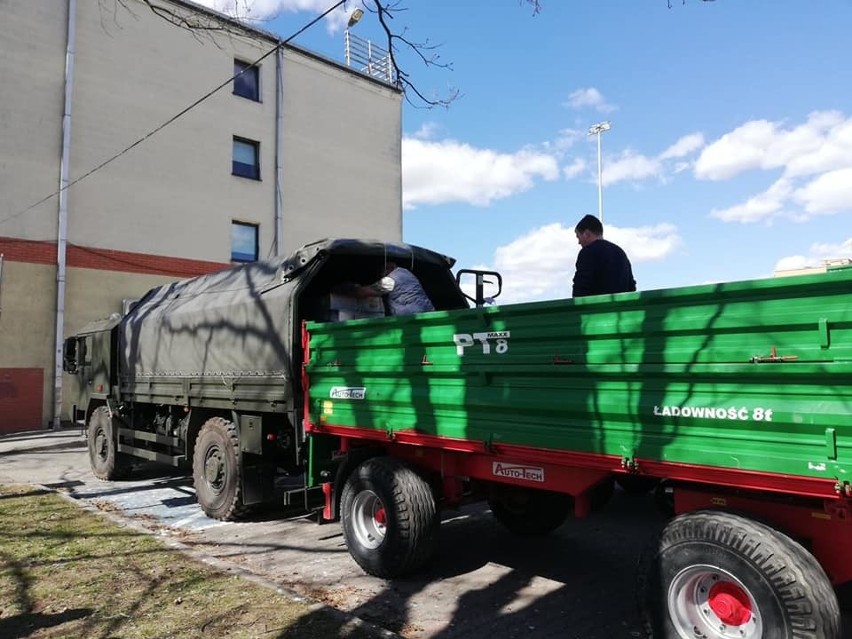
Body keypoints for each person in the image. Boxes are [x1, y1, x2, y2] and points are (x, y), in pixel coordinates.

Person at [572, 214, 636, 297]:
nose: (579, 242)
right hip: (622, 307)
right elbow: (631, 286)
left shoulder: (587, 252)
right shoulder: (621, 253)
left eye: (578, 237)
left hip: (596, 308)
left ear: (587, 234)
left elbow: (581, 286)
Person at [352, 261, 435, 316]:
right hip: (428, 313)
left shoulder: (392, 278)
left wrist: (350, 288)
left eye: (382, 273)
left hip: (411, 318)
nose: (382, 276)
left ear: (387, 269)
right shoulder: (406, 272)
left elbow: (363, 292)